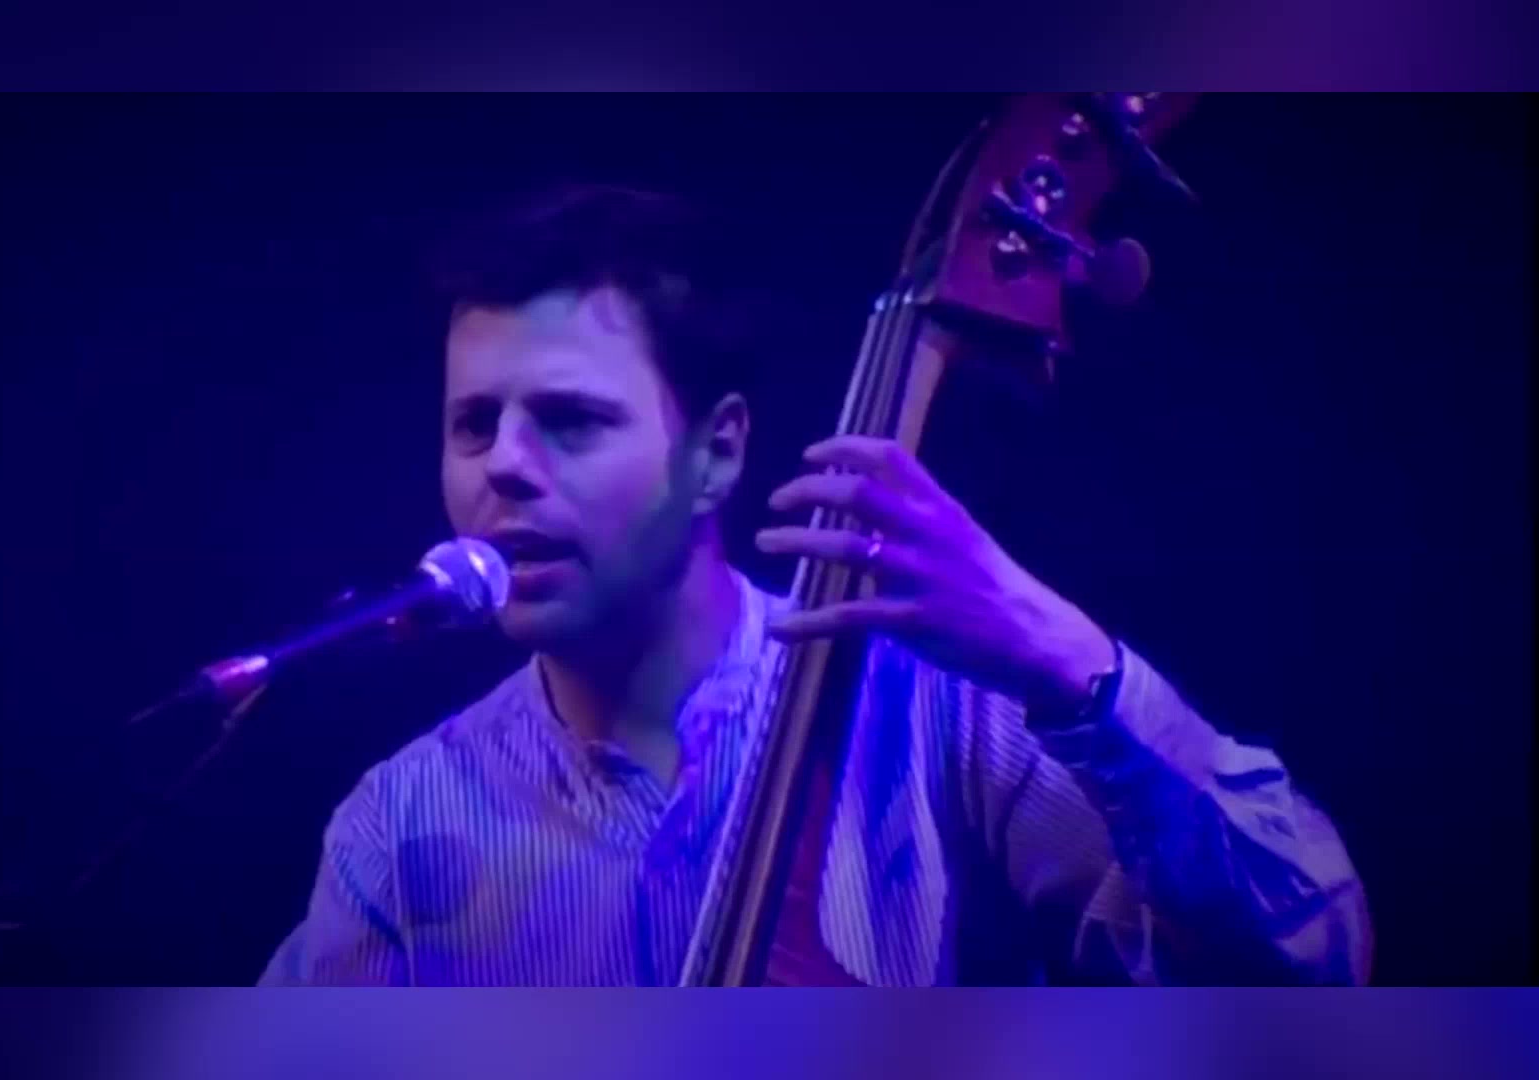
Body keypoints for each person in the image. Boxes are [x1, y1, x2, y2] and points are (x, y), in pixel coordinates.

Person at [258, 183, 1371, 985]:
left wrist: (1063, 658)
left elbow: (1316, 955)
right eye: (472, 424)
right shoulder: (401, 825)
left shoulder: (933, 711)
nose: (502, 463)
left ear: (718, 453)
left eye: (568, 419)